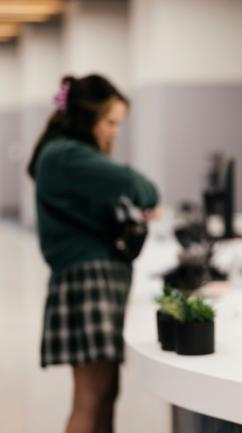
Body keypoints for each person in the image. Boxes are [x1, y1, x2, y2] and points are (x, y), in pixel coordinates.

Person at [27, 74, 160, 433]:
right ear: (88, 119)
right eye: (111, 123)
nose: (115, 132)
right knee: (90, 397)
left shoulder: (66, 155)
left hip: (94, 279)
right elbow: (136, 185)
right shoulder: (66, 154)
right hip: (87, 281)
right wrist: (149, 200)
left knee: (105, 392)